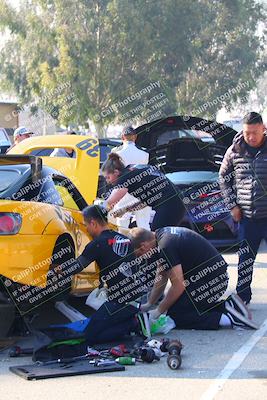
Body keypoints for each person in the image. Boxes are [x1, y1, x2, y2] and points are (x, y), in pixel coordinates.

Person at [129, 226, 258, 330]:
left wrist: (159, 310)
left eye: (139, 254)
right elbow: (161, 275)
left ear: (144, 246)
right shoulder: (160, 235)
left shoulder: (165, 246)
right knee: (178, 307)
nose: (141, 258)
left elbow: (178, 286)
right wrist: (150, 303)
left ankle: (228, 319)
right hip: (209, 278)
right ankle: (229, 305)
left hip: (212, 281)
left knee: (177, 315)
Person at [58, 205, 145, 344]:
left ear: (93, 223)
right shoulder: (125, 239)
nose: (86, 228)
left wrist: (56, 268)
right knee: (100, 325)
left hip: (117, 303)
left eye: (86, 225)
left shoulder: (97, 244)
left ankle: (132, 323)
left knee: (88, 337)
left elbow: (76, 267)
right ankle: (129, 320)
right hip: (135, 301)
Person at [219, 112, 267, 305]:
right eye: (247, 133)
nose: (251, 137)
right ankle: (242, 299)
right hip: (247, 217)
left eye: (255, 132)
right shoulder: (235, 150)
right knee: (245, 260)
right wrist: (232, 205)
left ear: (263, 128)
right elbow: (223, 178)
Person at [102, 153, 185, 231]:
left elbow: (110, 201)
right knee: (162, 235)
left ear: (116, 172)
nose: (107, 181)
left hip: (170, 203)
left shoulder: (124, 177)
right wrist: (125, 210)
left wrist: (98, 210)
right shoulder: (133, 169)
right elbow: (146, 201)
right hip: (176, 200)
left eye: (108, 177)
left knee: (157, 236)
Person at [111, 126, 152, 231]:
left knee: (122, 224)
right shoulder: (145, 152)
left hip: (123, 191)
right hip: (142, 190)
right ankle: (147, 246)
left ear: (122, 137)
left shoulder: (115, 152)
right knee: (143, 223)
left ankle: (123, 245)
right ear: (135, 137)